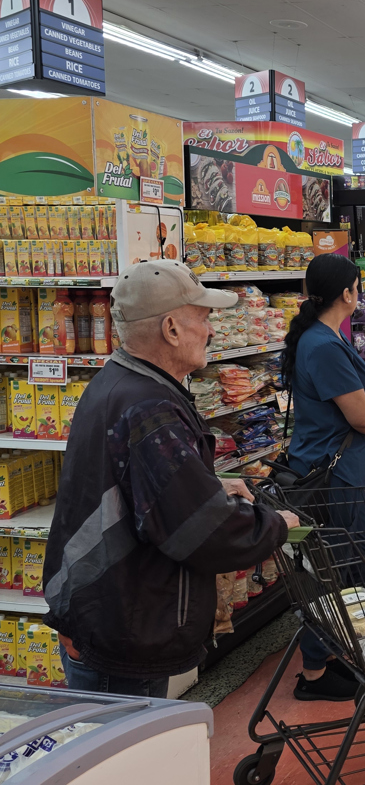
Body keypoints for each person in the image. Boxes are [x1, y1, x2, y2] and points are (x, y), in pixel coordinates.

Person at [43, 260, 299, 697]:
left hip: (104, 612)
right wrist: (277, 525)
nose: (212, 330)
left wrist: (209, 486)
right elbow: (202, 532)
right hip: (123, 626)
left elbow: (132, 487)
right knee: (127, 760)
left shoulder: (119, 383)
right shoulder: (150, 409)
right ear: (171, 329)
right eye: (202, 317)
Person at [282, 253, 365, 702]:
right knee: (345, 565)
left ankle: (330, 653)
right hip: (331, 474)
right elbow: (361, 419)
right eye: (358, 286)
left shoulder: (322, 336)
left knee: (344, 563)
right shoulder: (323, 346)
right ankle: (314, 669)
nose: (360, 293)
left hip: (331, 467)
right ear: (347, 293)